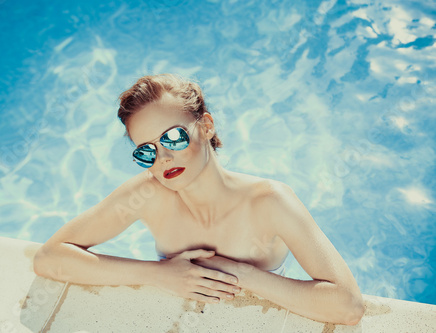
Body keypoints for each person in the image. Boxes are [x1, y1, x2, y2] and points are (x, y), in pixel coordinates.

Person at [33, 73, 364, 325]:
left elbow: (348, 305)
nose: (163, 158)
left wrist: (239, 273)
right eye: (147, 150)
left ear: (205, 126)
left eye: (173, 137)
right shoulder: (147, 194)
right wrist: (157, 274)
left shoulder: (269, 202)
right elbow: (49, 258)